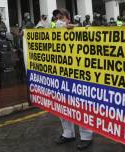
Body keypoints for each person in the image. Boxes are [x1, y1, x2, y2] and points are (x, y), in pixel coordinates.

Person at [54, 8, 93, 150]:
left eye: (61, 17)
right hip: (61, 75)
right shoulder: (52, 33)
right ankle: (68, 133)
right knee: (63, 106)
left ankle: (86, 136)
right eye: (56, 18)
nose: (58, 20)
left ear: (68, 19)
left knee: (81, 107)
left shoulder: (79, 31)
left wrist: (77, 28)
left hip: (78, 76)